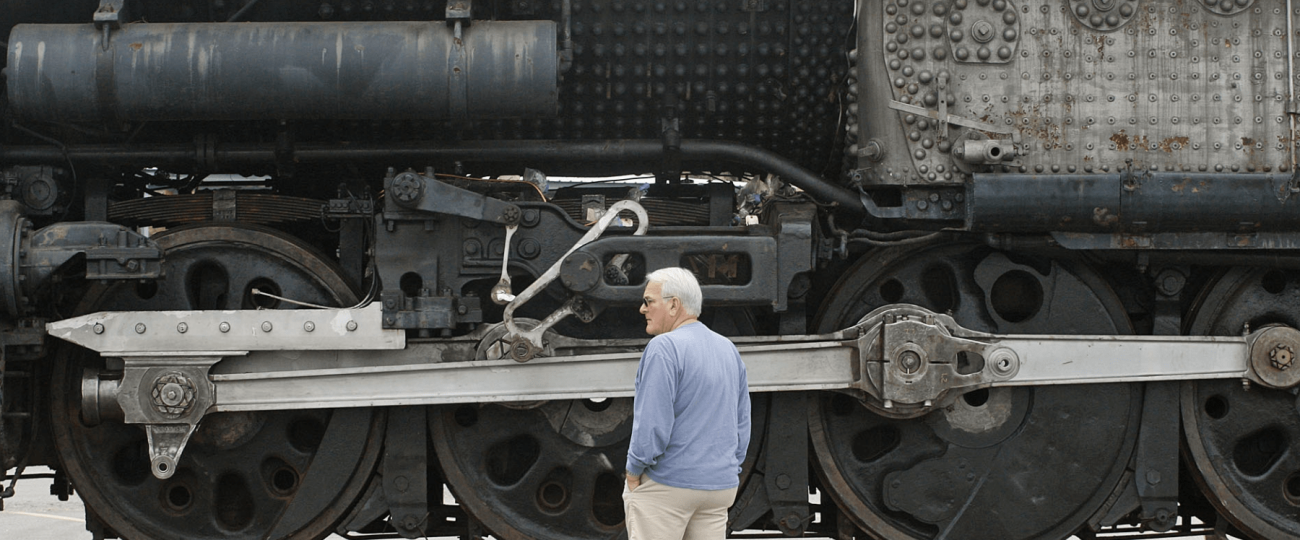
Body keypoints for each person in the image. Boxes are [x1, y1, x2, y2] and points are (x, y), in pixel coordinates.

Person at [623, 267, 751, 540]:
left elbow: (653, 423)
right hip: (719, 486)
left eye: (649, 301)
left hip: (670, 485)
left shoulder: (664, 348)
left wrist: (634, 470)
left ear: (673, 305)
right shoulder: (727, 348)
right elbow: (741, 422)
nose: (641, 309)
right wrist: (729, 467)